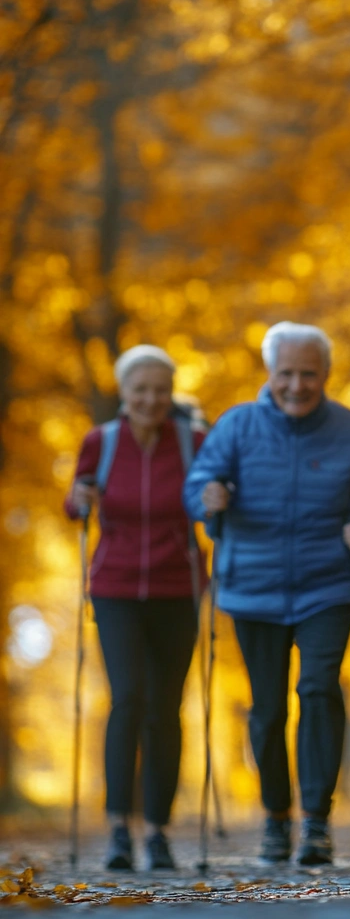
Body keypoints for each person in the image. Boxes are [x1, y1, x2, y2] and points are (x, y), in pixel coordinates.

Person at [183, 322, 350, 866]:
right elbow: (197, 485)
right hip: (253, 589)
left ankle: (316, 821)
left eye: (308, 375)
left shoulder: (347, 428)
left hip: (327, 586)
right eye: (286, 374)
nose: (297, 385)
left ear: (324, 374)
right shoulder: (238, 426)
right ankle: (276, 819)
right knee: (266, 709)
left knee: (319, 690)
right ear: (270, 374)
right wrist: (209, 498)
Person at [65, 345, 205, 871]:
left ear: (170, 395)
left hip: (178, 587)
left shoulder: (193, 443)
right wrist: (78, 500)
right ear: (124, 393)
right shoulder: (99, 443)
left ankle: (159, 832)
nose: (150, 399)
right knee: (128, 698)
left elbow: (214, 497)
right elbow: (74, 501)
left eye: (159, 390)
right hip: (116, 586)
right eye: (140, 389)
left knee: (166, 709)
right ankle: (119, 827)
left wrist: (218, 497)